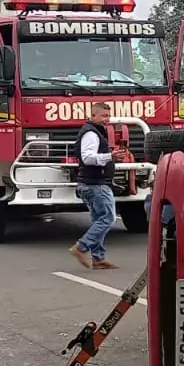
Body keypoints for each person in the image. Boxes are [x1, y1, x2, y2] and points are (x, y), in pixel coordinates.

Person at [69, 102, 129, 270]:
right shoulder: (91, 134)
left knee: (98, 219)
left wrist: (112, 156)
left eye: (108, 116)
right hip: (95, 184)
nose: (107, 119)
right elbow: (87, 158)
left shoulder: (93, 131)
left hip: (91, 184)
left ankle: (98, 258)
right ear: (93, 115)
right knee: (107, 219)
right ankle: (81, 247)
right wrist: (110, 156)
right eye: (103, 116)